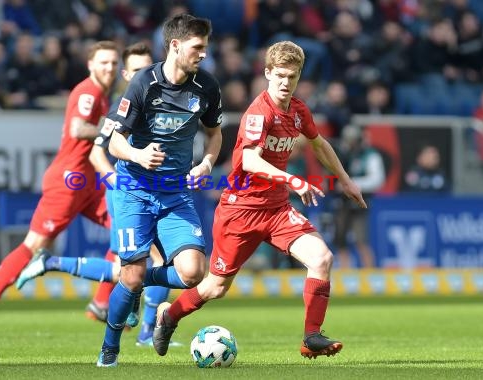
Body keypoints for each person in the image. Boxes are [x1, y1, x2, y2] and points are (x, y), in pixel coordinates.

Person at [151, 40, 366, 360]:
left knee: (321, 258)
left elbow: (319, 144)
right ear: (267, 73)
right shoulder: (258, 112)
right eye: (279, 75)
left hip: (277, 209)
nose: (285, 82)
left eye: (292, 77)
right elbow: (250, 161)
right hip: (240, 211)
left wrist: (345, 179)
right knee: (215, 288)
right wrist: (293, 179)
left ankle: (311, 336)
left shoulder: (298, 110)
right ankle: (169, 316)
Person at [16, 42, 181, 347]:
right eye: (135, 69)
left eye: (147, 68)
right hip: (126, 195)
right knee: (157, 260)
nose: (142, 74)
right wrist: (115, 181)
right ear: (126, 72)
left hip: (153, 192)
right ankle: (146, 332)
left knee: (128, 268)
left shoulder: (159, 100)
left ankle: (52, 264)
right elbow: (96, 154)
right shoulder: (122, 105)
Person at [0, 41, 120, 338]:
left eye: (113, 62)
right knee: (34, 245)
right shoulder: (88, 91)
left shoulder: (103, 94)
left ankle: (102, 302)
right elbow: (78, 128)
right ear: (90, 65)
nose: (109, 68)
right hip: (68, 181)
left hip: (87, 182)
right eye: (103, 62)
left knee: (125, 231)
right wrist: (112, 127)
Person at [97, 14, 223, 367]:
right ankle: (110, 348)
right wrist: (138, 153)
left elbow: (214, 133)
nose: (203, 54)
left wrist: (207, 164)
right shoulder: (143, 83)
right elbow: (114, 141)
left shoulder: (207, 87)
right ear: (175, 45)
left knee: (193, 272)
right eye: (198, 47)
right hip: (134, 188)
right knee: (133, 274)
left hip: (175, 193)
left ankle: (131, 281)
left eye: (206, 48)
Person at [333, 125, 385, 268]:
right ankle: (345, 273)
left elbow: (377, 180)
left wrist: (351, 184)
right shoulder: (343, 154)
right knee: (340, 240)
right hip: (342, 201)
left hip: (360, 202)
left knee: (361, 240)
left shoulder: (370, 155)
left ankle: (369, 274)